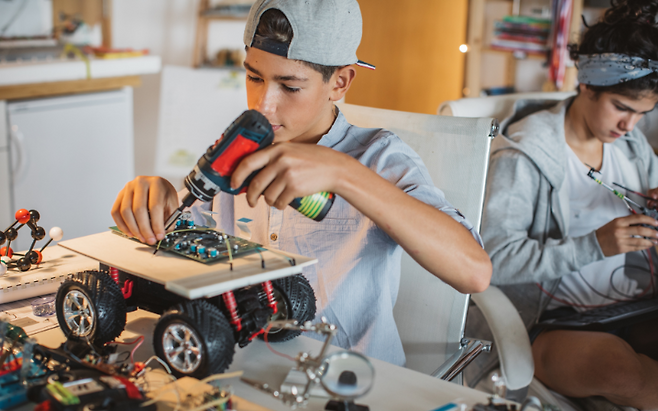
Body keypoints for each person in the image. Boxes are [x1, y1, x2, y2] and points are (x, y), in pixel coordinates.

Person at [111, 0, 491, 366]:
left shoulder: (379, 158)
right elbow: (175, 239)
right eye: (254, 77)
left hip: (352, 380)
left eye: (290, 86)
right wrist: (156, 202)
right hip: (243, 368)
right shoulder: (239, 150)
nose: (264, 105)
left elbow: (473, 272)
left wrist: (344, 174)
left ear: (339, 82)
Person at [478, 0, 658, 407]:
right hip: (556, 325)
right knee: (617, 370)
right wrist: (594, 246)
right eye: (621, 108)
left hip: (636, 309)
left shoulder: (632, 148)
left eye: (643, 114)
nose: (630, 125)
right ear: (588, 85)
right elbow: (493, 260)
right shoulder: (524, 156)